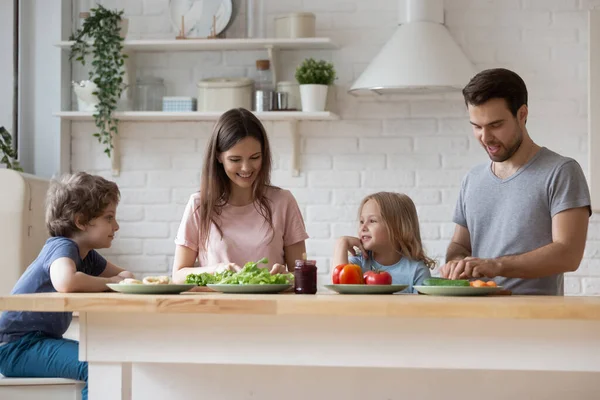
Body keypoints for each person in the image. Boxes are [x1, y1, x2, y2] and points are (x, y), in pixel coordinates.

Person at [440, 68, 591, 295]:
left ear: (522, 114)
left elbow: (568, 254)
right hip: (474, 317)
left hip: (534, 320)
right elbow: (460, 245)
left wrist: (496, 265)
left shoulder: (561, 172)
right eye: (477, 126)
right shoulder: (472, 179)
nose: (485, 137)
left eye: (495, 125)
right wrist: (457, 262)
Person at [0, 172, 135, 400]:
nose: (117, 226)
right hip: (15, 347)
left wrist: (122, 279)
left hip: (37, 341)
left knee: (107, 357)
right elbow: (65, 282)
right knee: (98, 366)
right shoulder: (61, 246)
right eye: (109, 218)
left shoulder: (87, 255)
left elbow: (125, 274)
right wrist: (112, 283)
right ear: (81, 221)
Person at [172, 108, 309, 282]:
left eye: (255, 157)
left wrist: (286, 277)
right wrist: (217, 270)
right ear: (219, 157)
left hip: (271, 308)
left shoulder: (283, 202)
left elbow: (303, 276)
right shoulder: (199, 204)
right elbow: (178, 275)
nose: (246, 168)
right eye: (235, 160)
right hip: (214, 307)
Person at [333, 192, 434, 293]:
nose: (363, 227)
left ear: (397, 228)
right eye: (361, 221)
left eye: (372, 221)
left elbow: (423, 308)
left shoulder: (417, 271)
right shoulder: (358, 264)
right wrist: (341, 243)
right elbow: (340, 293)